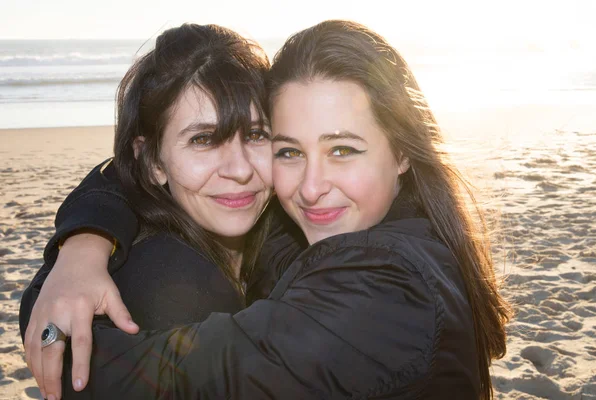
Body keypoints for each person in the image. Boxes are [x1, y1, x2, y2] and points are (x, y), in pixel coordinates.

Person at [21, 20, 511, 399]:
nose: (312, 187)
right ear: (152, 161)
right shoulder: (306, 231)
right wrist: (83, 243)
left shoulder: (385, 285)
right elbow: (116, 175)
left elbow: (167, 382)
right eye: (289, 150)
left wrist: (47, 309)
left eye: (343, 149)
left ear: (402, 152)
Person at [18, 23, 285, 400]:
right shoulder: (176, 290)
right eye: (203, 140)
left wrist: (84, 240)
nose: (240, 169)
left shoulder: (290, 228)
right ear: (153, 161)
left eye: (257, 134)